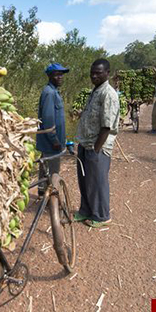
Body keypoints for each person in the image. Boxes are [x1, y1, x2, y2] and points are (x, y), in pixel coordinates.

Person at [75, 59, 120, 228]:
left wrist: (95, 150)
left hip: (98, 146)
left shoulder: (108, 93)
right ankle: (86, 210)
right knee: (85, 180)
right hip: (85, 143)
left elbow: (106, 126)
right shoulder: (95, 91)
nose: (94, 76)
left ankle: (102, 215)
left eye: (98, 73)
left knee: (97, 182)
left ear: (107, 73)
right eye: (92, 72)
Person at [36, 63, 69, 196]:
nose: (60, 77)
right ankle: (52, 198)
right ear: (49, 76)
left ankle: (42, 193)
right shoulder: (49, 93)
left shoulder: (54, 91)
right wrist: (55, 140)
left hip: (52, 141)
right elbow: (48, 119)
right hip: (51, 142)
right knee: (53, 171)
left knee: (45, 167)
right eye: (57, 74)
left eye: (61, 74)